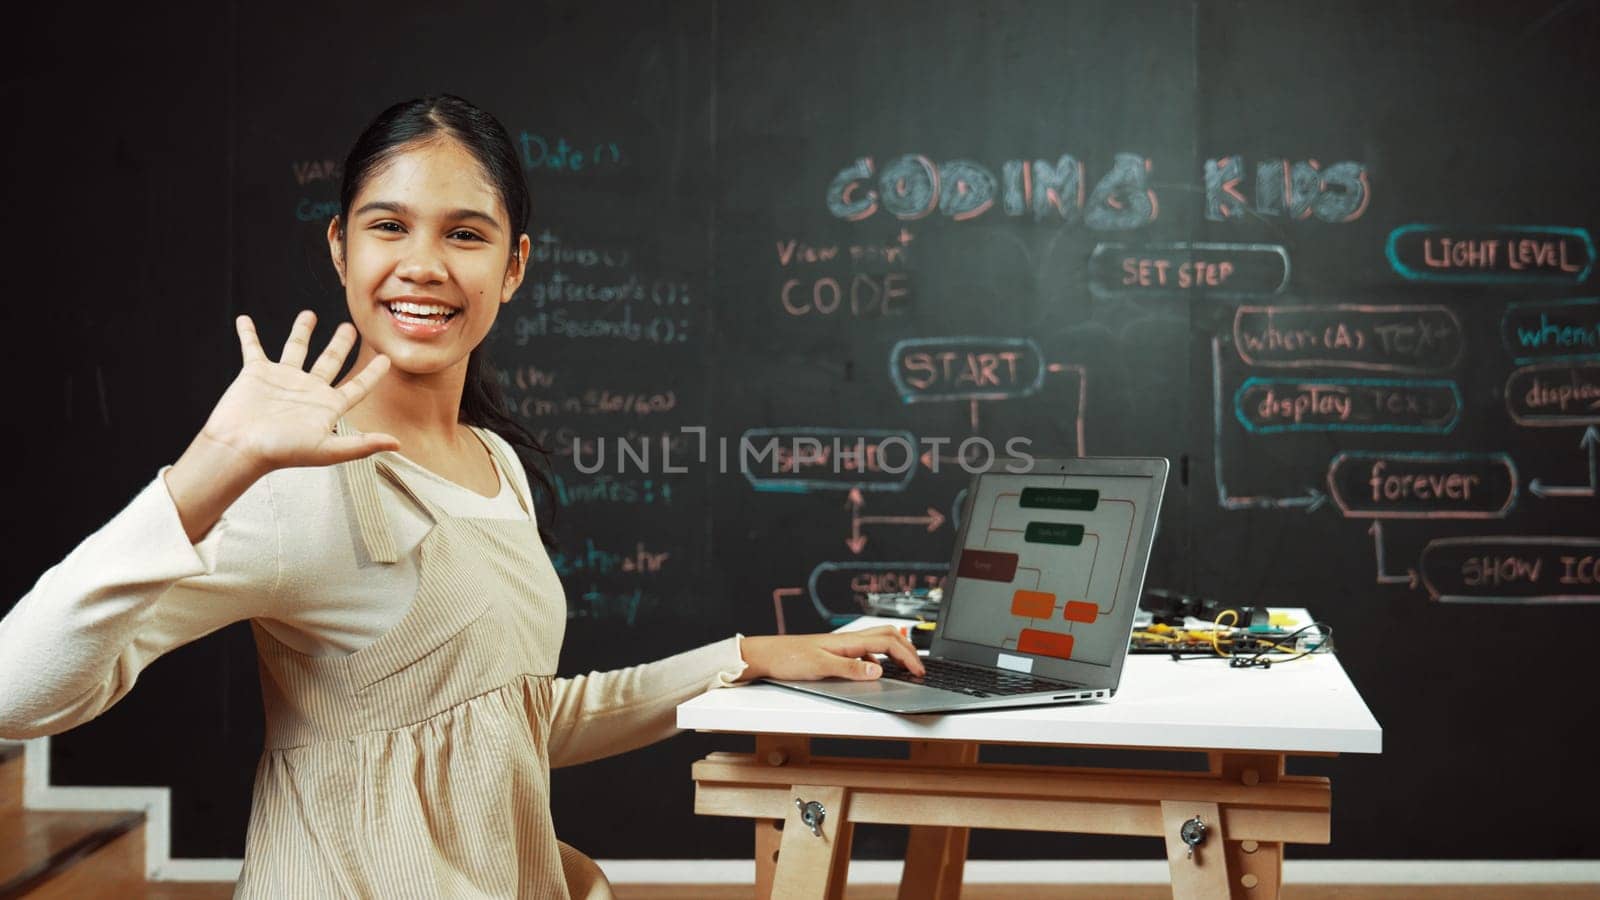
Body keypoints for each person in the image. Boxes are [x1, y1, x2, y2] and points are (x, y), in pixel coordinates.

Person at [0, 94, 924, 898]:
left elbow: (510, 726)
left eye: (465, 233)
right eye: (388, 225)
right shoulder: (294, 490)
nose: (425, 264)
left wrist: (749, 655)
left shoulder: (496, 464)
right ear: (340, 246)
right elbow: (13, 690)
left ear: (514, 266)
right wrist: (211, 465)